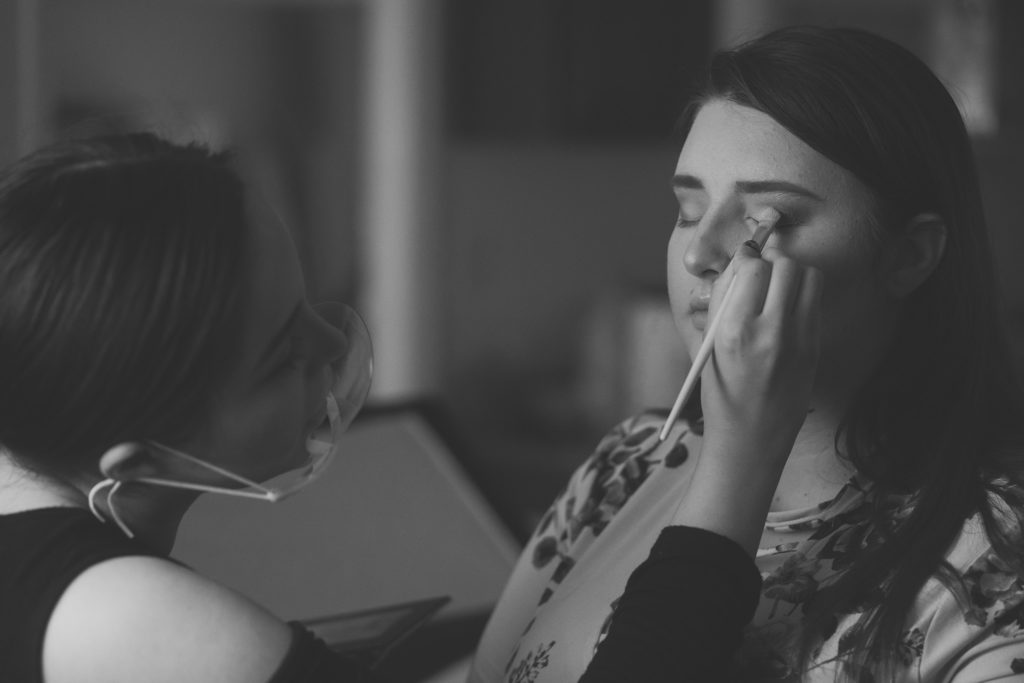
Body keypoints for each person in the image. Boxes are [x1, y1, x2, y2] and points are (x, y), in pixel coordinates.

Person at [0, 132, 777, 683]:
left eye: (304, 303)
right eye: (283, 356)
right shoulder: (126, 618)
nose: (330, 344)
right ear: (142, 463)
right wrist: (742, 459)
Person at [470, 25, 1024, 683]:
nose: (702, 253)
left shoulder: (996, 563)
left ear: (908, 255)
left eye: (771, 221)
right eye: (687, 209)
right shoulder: (629, 462)